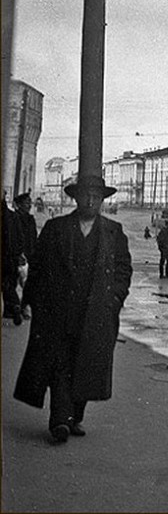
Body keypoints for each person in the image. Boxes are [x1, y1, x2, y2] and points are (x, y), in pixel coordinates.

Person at [13, 175, 133, 443]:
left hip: (96, 315)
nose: (90, 200)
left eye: (96, 196)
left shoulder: (114, 232)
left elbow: (123, 270)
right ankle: (60, 420)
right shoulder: (56, 228)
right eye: (85, 195)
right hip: (57, 312)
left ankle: (74, 416)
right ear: (75, 198)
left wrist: (114, 300)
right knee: (60, 363)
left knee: (87, 364)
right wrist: (32, 301)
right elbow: (39, 266)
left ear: (102, 200)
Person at [2, 193, 24, 324]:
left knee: (7, 285)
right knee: (9, 285)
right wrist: (18, 254)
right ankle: (13, 307)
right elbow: (20, 239)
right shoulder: (13, 216)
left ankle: (13, 307)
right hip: (10, 258)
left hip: (6, 257)